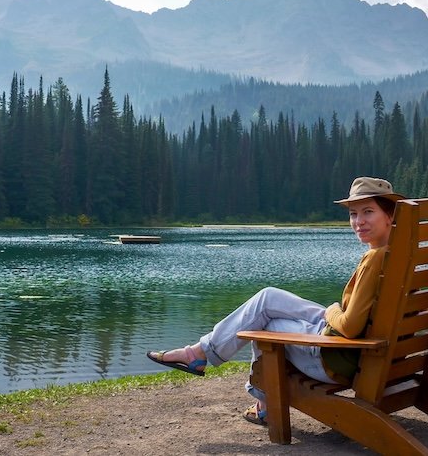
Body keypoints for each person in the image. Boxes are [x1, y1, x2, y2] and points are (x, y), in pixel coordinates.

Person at [146, 176, 403, 425]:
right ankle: (200, 353)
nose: (359, 221)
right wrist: (333, 314)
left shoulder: (374, 259)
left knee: (263, 326)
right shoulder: (400, 256)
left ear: (389, 215)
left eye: (368, 212)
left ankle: (263, 404)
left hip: (338, 359)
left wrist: (333, 311)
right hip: (368, 352)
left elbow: (349, 326)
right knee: (268, 298)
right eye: (353, 214)